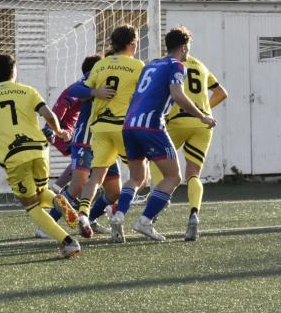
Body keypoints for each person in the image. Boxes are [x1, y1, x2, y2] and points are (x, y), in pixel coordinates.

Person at [113, 26, 216, 242]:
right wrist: (202, 116)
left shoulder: (150, 65)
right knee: (174, 177)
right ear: (184, 47)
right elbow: (178, 95)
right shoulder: (177, 65)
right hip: (151, 126)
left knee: (137, 178)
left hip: (129, 125)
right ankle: (145, 221)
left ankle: (118, 215)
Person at [0, 54, 80, 259]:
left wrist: (2, 135)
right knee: (41, 192)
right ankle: (60, 202)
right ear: (13, 72)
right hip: (40, 151)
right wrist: (60, 132)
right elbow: (48, 115)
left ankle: (68, 242)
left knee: (30, 204)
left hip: (14, 156)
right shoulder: (28, 91)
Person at [35, 55, 118, 238]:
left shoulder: (120, 76)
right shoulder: (93, 78)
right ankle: (47, 224)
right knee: (78, 185)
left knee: (114, 192)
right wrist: (95, 92)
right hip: (84, 139)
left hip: (106, 142)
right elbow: (73, 90)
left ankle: (88, 219)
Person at [76, 25, 145, 240]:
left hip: (100, 128)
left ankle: (84, 214)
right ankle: (118, 213)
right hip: (124, 128)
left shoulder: (100, 65)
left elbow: (79, 92)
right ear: (132, 44)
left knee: (96, 178)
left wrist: (95, 92)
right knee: (140, 177)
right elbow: (145, 96)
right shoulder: (137, 66)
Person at [166, 54, 228, 241]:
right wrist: (203, 111)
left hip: (176, 122)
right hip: (202, 124)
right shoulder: (201, 65)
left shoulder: (168, 64)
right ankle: (194, 213)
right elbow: (222, 93)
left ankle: (157, 207)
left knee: (157, 162)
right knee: (193, 174)